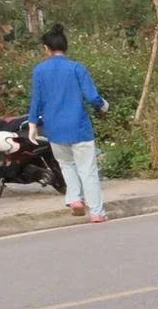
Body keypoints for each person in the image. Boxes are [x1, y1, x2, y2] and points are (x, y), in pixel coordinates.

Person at [28, 27, 110, 223]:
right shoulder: (76, 68)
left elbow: (36, 100)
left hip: (54, 128)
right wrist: (103, 105)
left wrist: (32, 124)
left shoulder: (39, 70)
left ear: (46, 48)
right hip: (79, 127)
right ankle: (97, 212)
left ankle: (74, 199)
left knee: (66, 164)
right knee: (87, 169)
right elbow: (91, 96)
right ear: (65, 47)